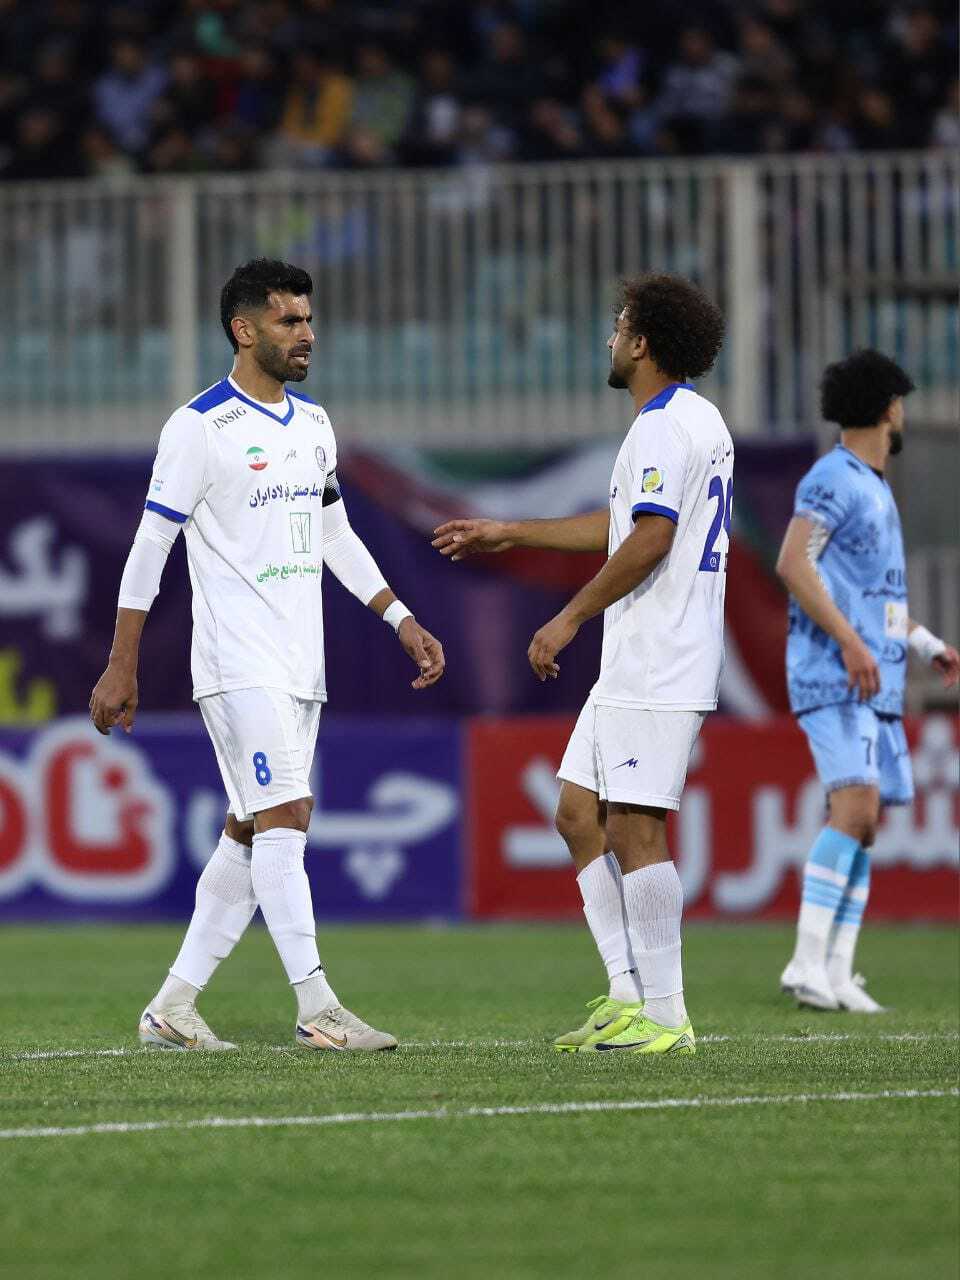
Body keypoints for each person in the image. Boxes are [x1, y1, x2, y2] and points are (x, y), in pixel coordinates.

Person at [89, 258, 445, 1052]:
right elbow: (151, 545)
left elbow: (333, 535)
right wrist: (122, 661)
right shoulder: (198, 428)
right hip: (236, 659)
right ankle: (318, 1006)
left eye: (309, 319)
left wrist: (399, 617)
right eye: (290, 321)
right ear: (244, 330)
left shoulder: (313, 425)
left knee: (250, 829)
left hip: (298, 663)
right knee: (287, 813)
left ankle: (171, 1007)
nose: (307, 333)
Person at [433, 274, 730, 1056]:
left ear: (642, 343)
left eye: (619, 326)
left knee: (634, 825)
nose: (609, 338)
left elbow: (652, 537)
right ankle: (627, 994)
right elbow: (624, 524)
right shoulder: (690, 420)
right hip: (641, 657)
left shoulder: (663, 427)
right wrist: (510, 532)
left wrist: (569, 616)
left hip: (660, 655)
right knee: (575, 813)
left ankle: (666, 1015)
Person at [776, 350, 958, 1012]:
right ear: (889, 407)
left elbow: (876, 598)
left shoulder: (873, 488)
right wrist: (851, 643)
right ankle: (805, 963)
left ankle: (837, 970)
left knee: (867, 822)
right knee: (854, 809)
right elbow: (793, 563)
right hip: (834, 671)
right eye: (901, 402)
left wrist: (926, 644)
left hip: (872, 675)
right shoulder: (834, 479)